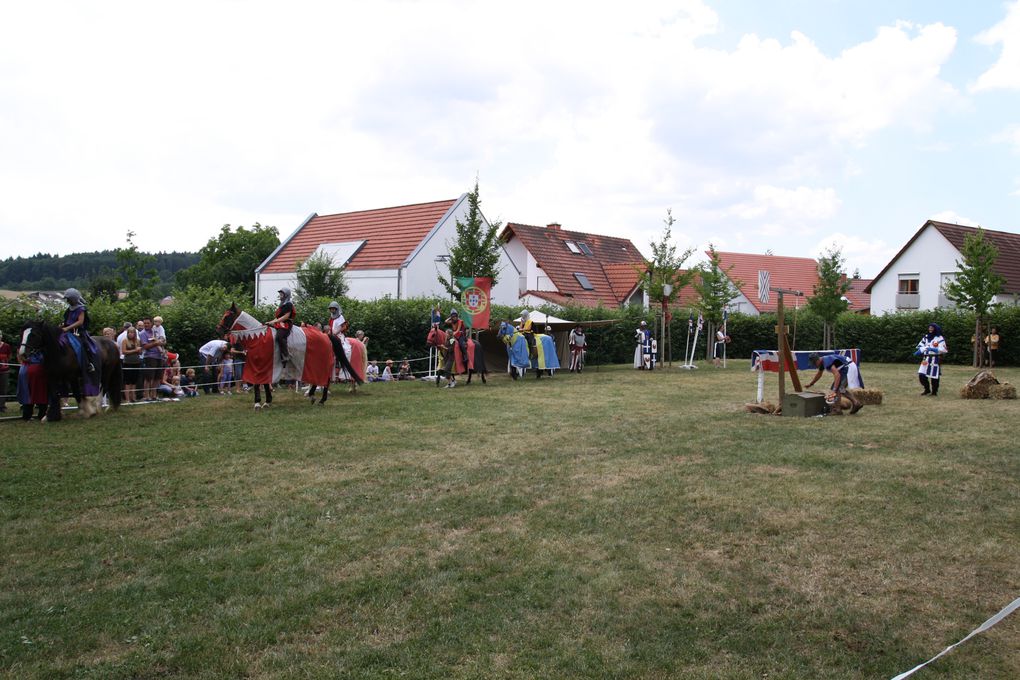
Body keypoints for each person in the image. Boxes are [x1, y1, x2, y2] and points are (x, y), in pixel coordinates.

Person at [60, 288, 99, 375]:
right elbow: (67, 320)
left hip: (79, 332)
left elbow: (80, 322)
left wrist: (67, 328)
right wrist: (62, 326)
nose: (67, 301)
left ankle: (89, 363)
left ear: (73, 299)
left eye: (69, 299)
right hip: (68, 332)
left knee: (84, 344)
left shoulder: (81, 309)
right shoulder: (69, 309)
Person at [915, 322, 948, 396]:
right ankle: (927, 389)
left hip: (935, 358)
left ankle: (934, 392)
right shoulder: (926, 337)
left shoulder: (939, 338)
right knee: (921, 375)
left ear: (935, 329)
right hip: (926, 358)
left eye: (932, 328)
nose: (930, 329)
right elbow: (920, 346)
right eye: (929, 328)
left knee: (934, 376)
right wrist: (922, 349)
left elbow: (944, 349)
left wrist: (933, 349)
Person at [266, 288, 295, 366]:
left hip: (286, 323)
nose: (280, 295)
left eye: (282, 294)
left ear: (286, 295)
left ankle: (286, 355)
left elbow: (286, 316)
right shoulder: (281, 305)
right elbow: (278, 317)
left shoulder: (289, 304)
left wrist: (274, 321)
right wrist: (270, 322)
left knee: (279, 336)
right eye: (280, 294)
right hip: (279, 323)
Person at [138, 317, 164, 401]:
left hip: (159, 356)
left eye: (148, 323)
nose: (146, 325)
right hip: (150, 356)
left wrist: (162, 342)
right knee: (149, 377)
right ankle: (146, 396)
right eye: (144, 323)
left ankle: (154, 395)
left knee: (157, 377)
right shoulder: (142, 333)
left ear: (151, 323)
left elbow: (163, 341)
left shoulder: (155, 331)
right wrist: (156, 343)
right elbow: (145, 346)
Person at [119, 326, 144, 403]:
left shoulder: (138, 341)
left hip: (136, 362)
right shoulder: (125, 341)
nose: (130, 334)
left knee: (134, 381)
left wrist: (139, 350)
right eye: (129, 332)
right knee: (127, 381)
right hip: (127, 362)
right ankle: (127, 399)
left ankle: (133, 397)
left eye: (132, 332)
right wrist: (134, 350)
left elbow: (140, 352)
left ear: (135, 333)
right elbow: (123, 352)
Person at [0, 330, 11, 413]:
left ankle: (2, 406)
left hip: (4, 370)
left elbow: (9, 356)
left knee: (3, 389)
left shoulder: (6, 346)